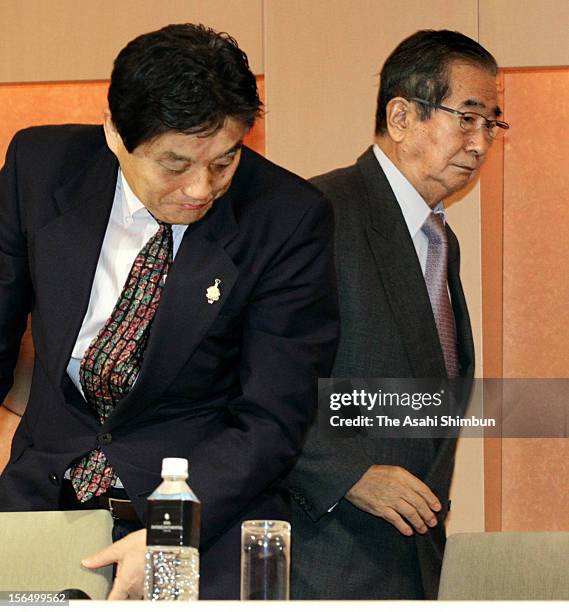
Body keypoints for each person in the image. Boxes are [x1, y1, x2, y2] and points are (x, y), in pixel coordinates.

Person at [0, 23, 339, 599]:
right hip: (44, 498)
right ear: (114, 132)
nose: (201, 187)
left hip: (204, 524)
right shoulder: (42, 167)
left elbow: (272, 417)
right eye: (175, 164)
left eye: (225, 161)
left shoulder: (286, 218)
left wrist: (170, 529)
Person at [287, 29, 508, 599]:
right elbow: (249, 380)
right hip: (324, 558)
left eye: (493, 124)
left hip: (410, 563)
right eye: (468, 117)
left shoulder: (438, 239)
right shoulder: (317, 214)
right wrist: (348, 474)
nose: (482, 143)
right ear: (402, 115)